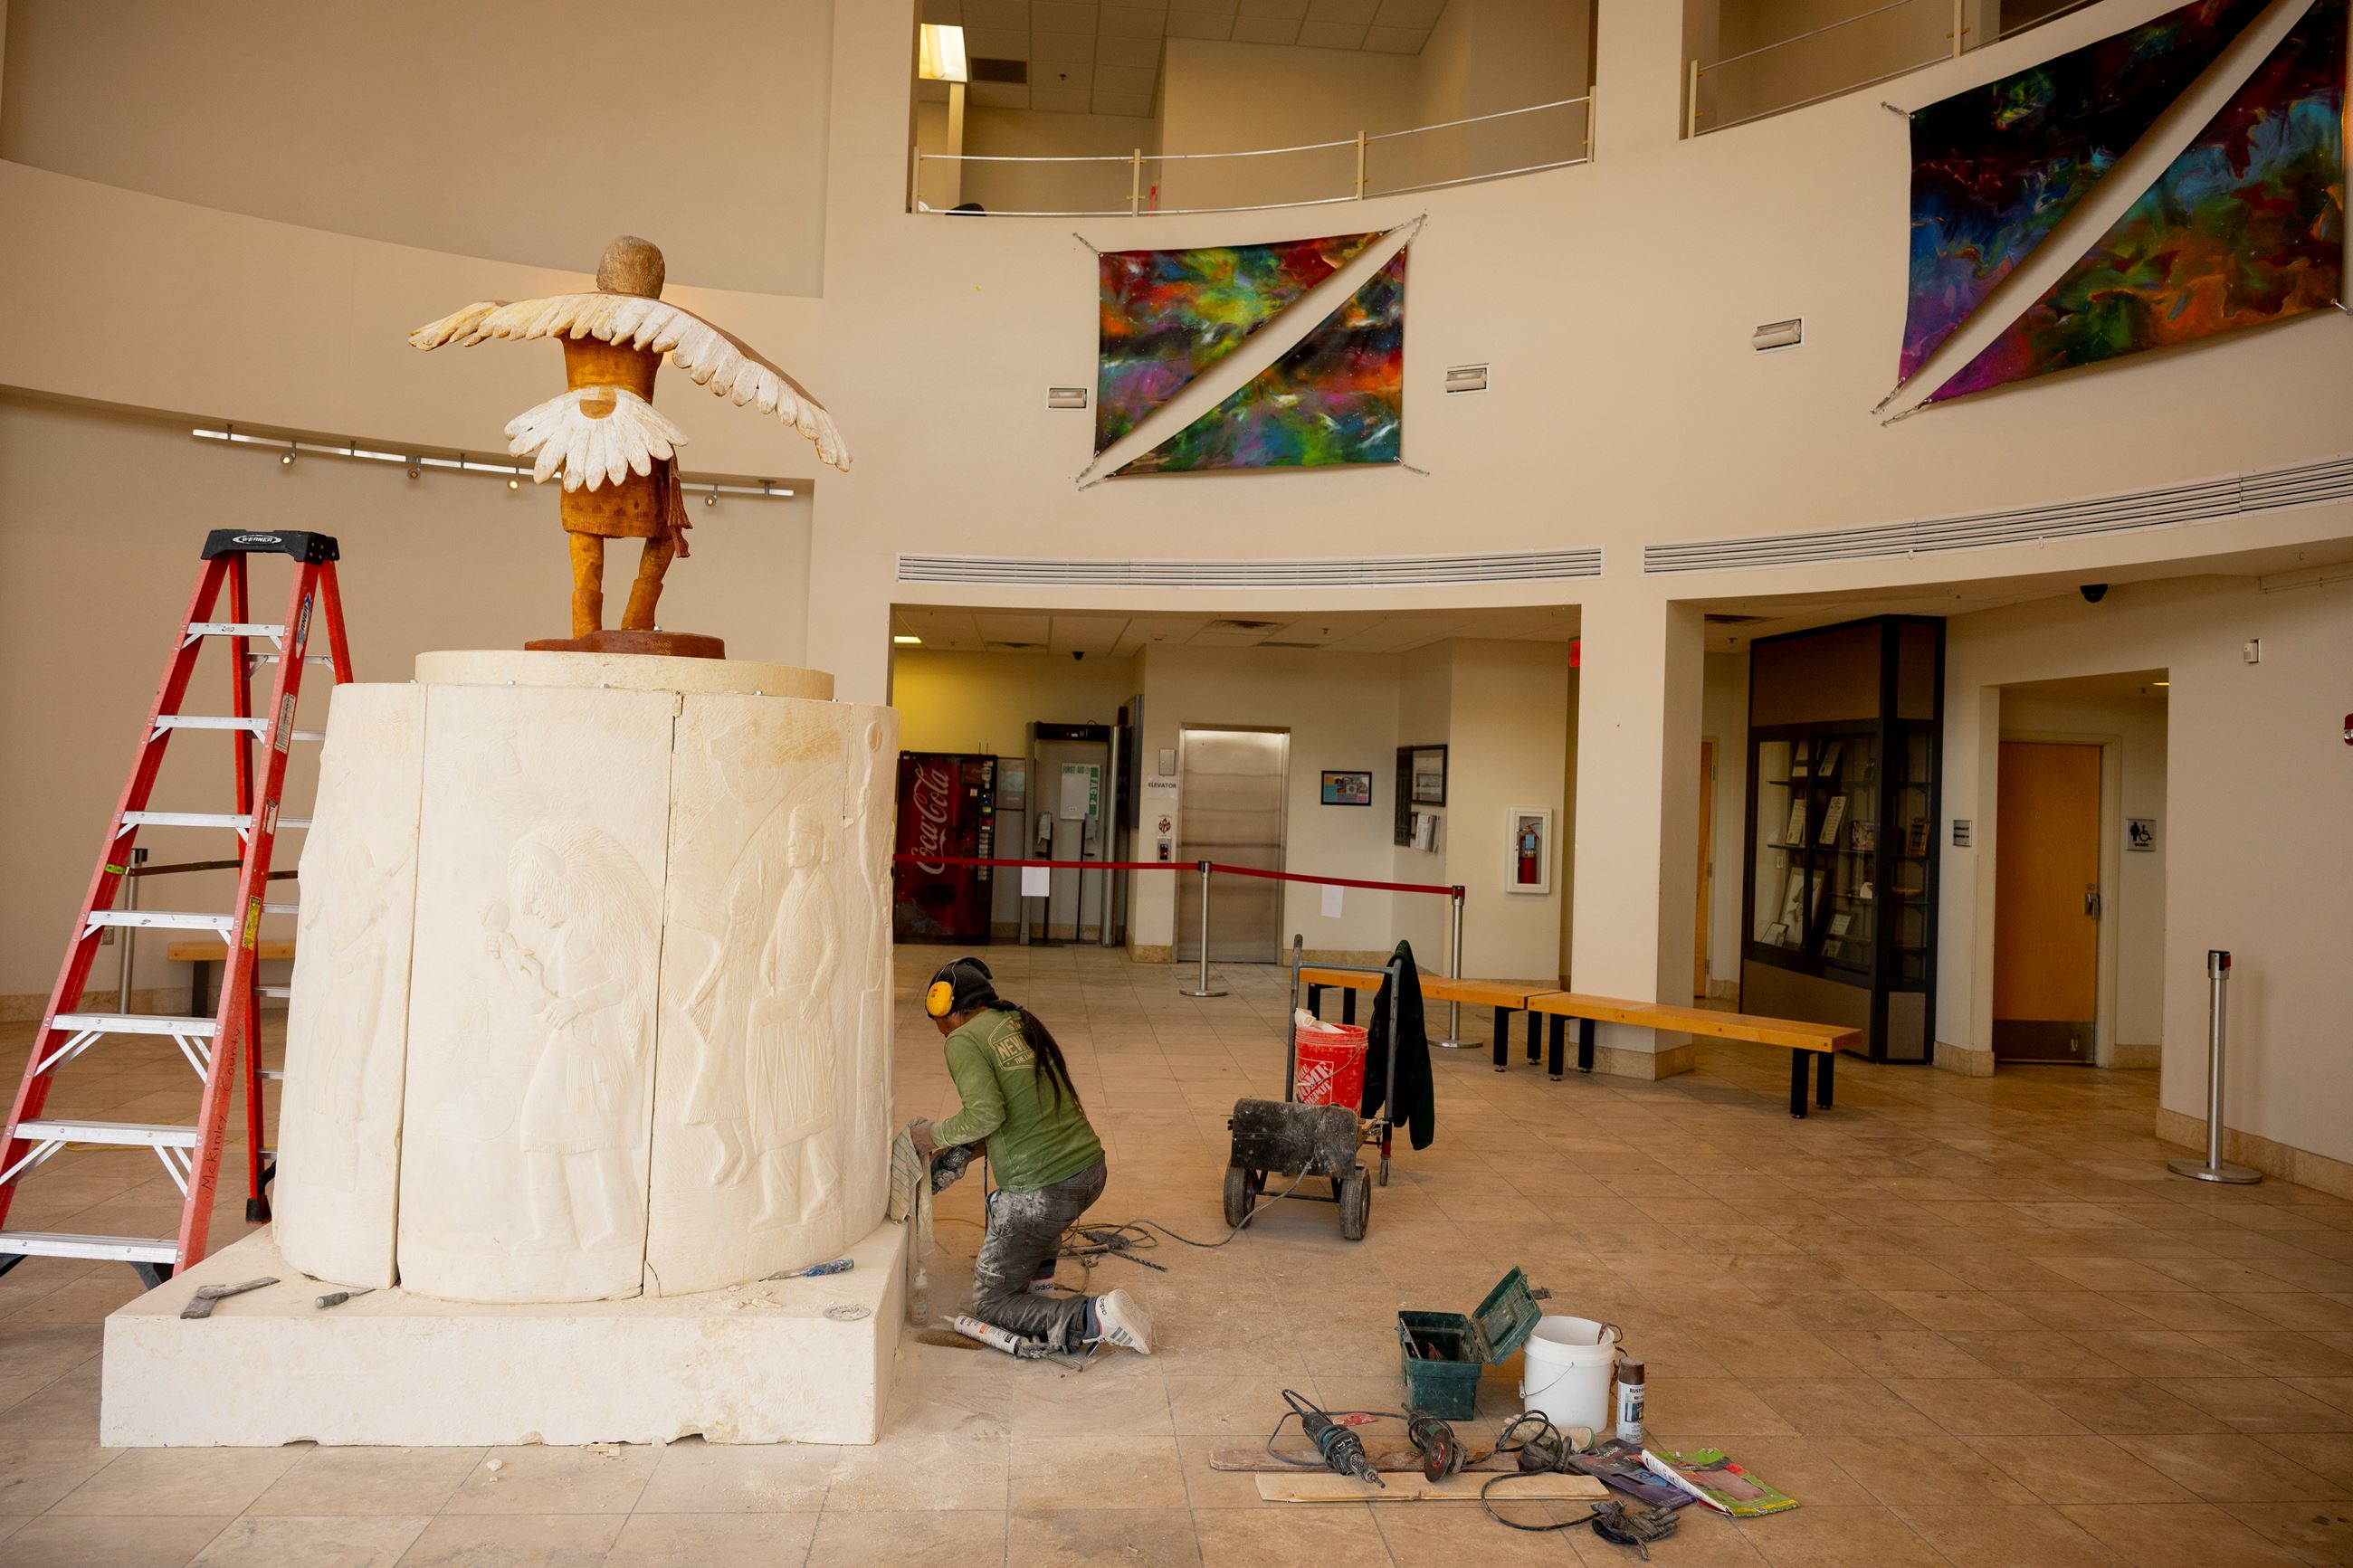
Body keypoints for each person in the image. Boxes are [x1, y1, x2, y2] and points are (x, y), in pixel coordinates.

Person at [910, 957, 1153, 1355]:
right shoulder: (1019, 1022)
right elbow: (1018, 1116)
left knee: (991, 1302)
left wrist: (929, 1135)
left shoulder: (962, 1039)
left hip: (1046, 1188)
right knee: (1029, 1219)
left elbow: (985, 1114)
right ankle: (1038, 1288)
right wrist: (958, 1156)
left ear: (944, 1005)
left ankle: (1096, 1317)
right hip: (1089, 1171)